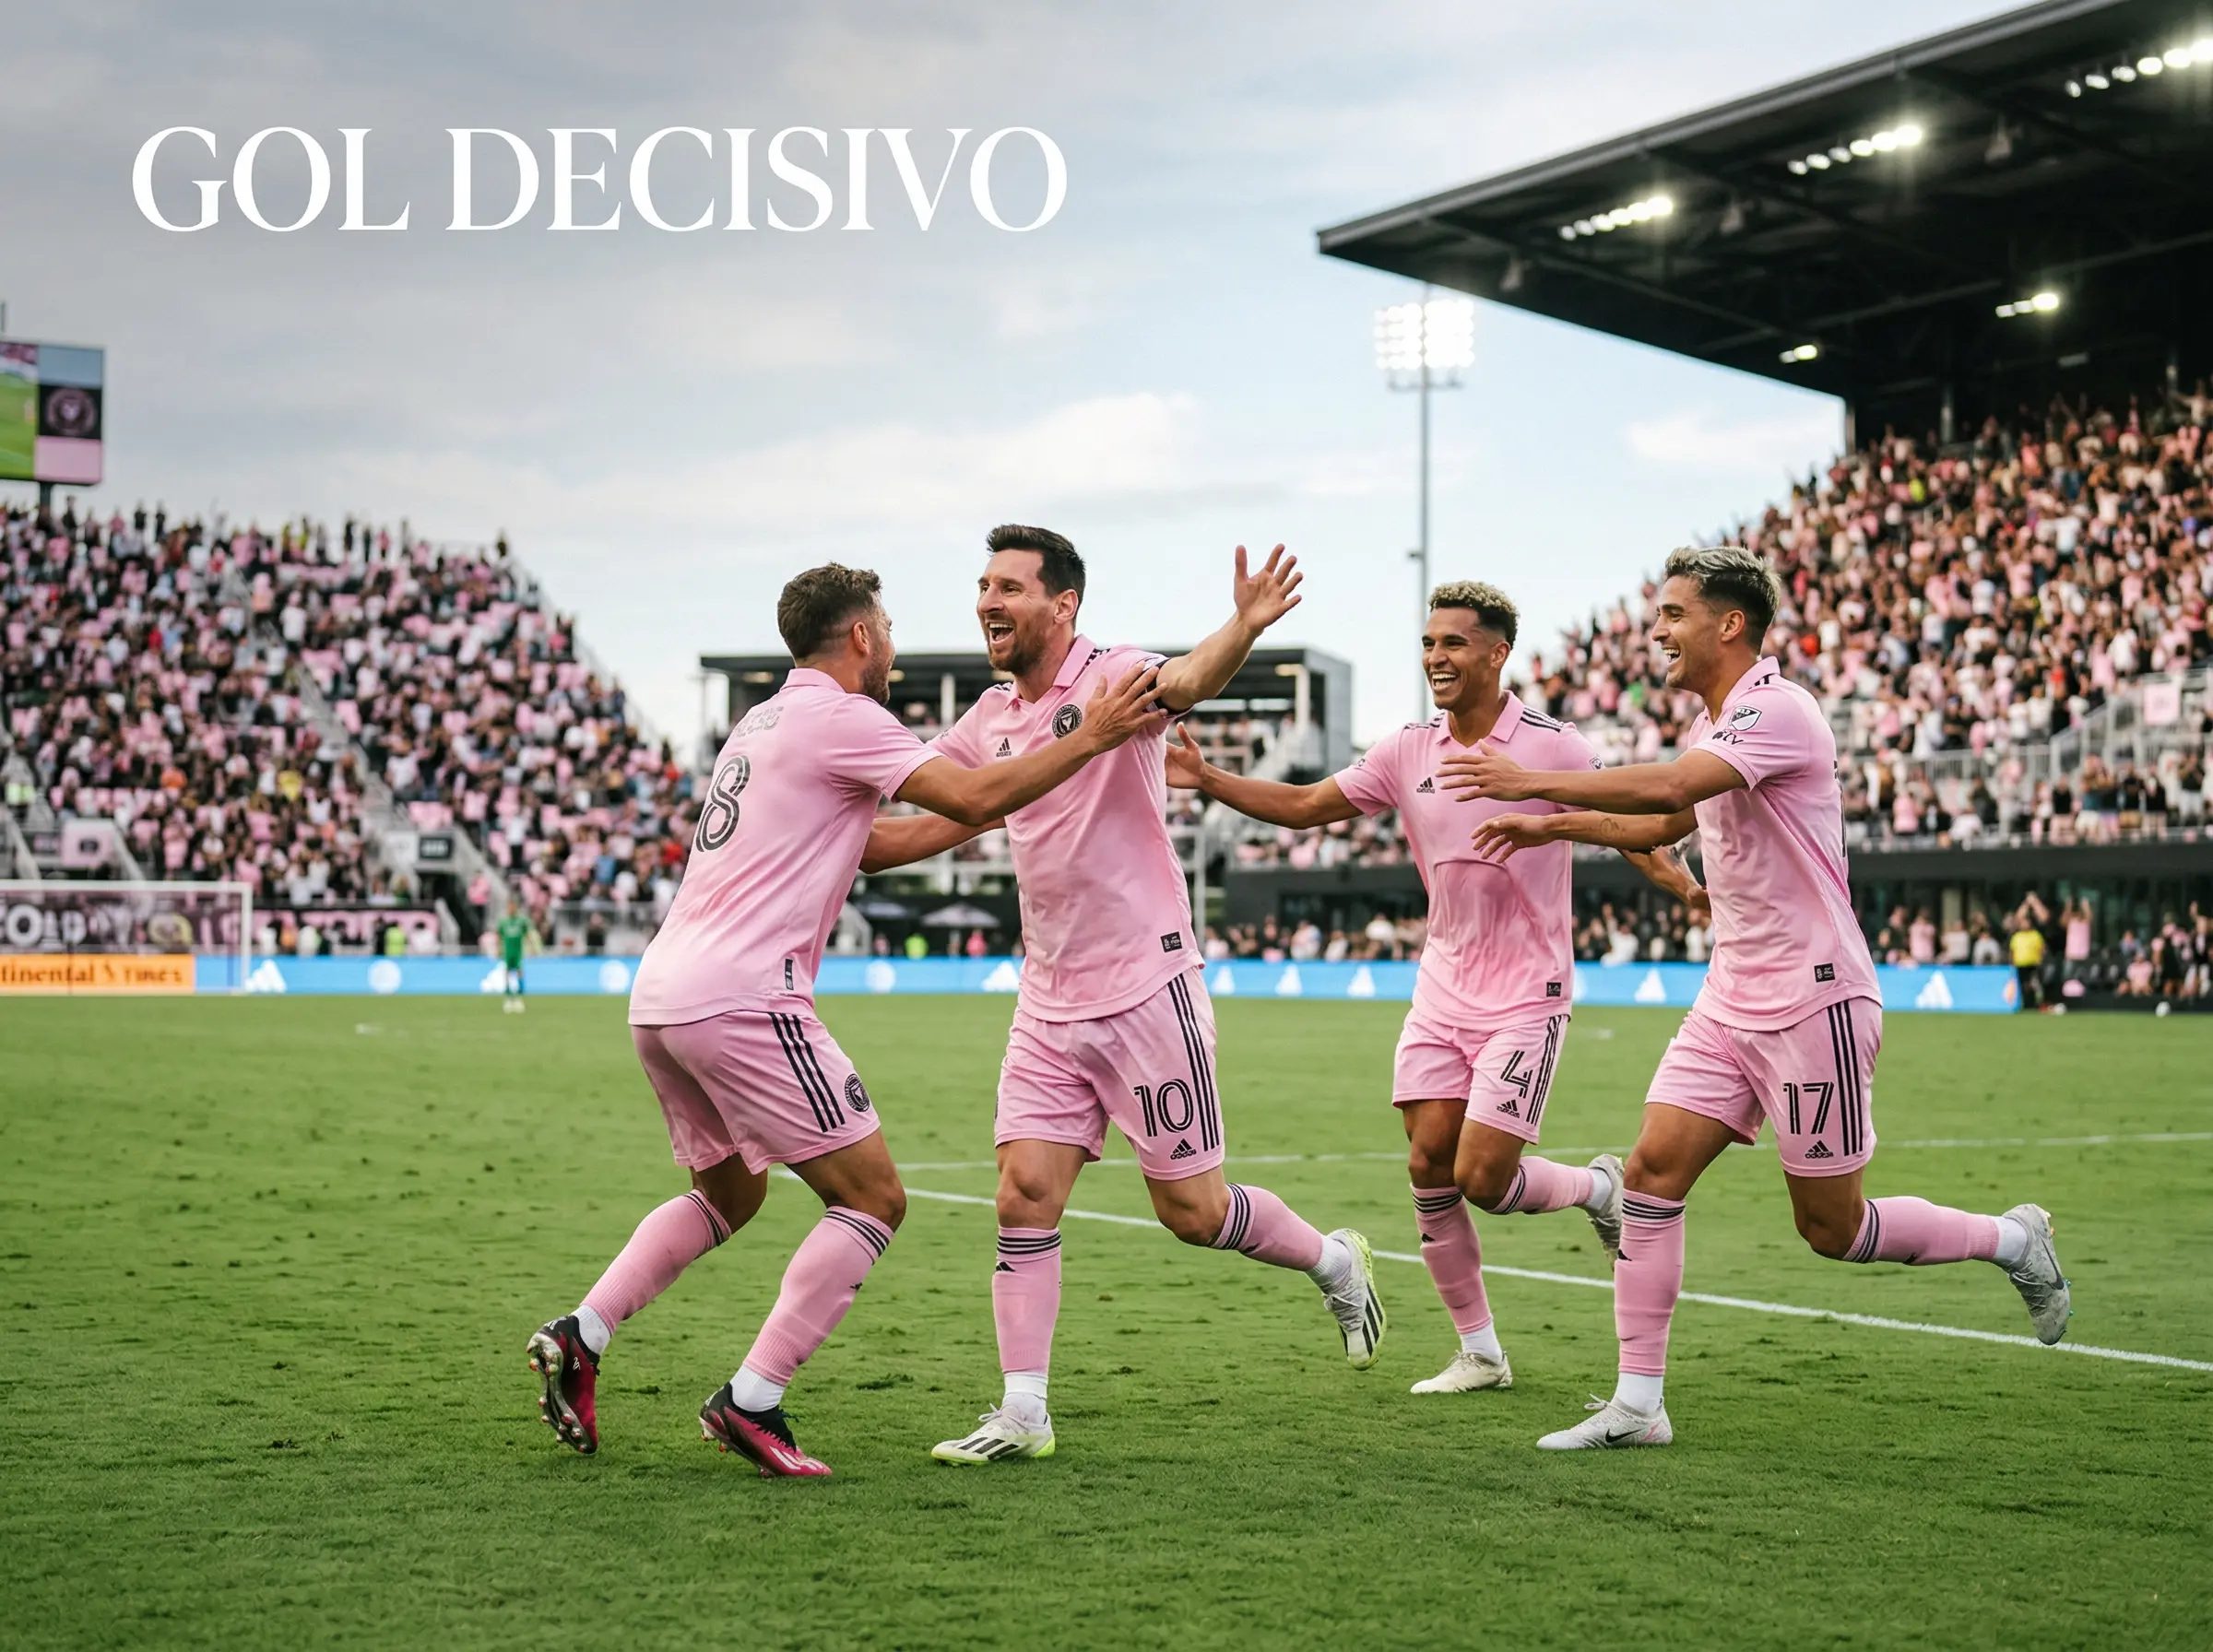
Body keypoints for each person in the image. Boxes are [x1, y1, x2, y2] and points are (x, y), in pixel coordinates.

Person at [525, 563, 1163, 1478]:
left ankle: (581, 1333)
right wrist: (1093, 735)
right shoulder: (846, 717)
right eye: (889, 627)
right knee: (872, 1198)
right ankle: (753, 1399)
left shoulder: (761, 722)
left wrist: (1010, 806)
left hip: (662, 995)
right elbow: (974, 795)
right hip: (745, 996)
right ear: (859, 635)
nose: (894, 644)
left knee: (729, 1196)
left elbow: (896, 838)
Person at [1442, 545, 2070, 1451]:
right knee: (1652, 1176)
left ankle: (2013, 1240)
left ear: (1727, 623)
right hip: (1729, 999)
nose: (1656, 630)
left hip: (1816, 1000)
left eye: (1672, 614)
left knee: (1833, 1227)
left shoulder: (1779, 711)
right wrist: (1550, 823)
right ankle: (1639, 1402)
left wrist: (1530, 778)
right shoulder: (1724, 724)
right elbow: (1662, 822)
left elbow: (1670, 787)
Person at [861, 525, 1386, 1466]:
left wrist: (1244, 626)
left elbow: (1188, 683)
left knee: (1193, 1213)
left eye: (1010, 586)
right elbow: (929, 809)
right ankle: (1023, 1413)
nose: (988, 601)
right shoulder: (986, 718)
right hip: (1048, 999)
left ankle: (1333, 1261)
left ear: (1062, 605)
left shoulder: (1117, 676)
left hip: (1147, 985)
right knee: (1023, 1193)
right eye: (983, 585)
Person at [1166, 579, 1705, 1393]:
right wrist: (1211, 782)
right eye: (1427, 644)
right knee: (1428, 1167)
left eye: (1452, 643)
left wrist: (1684, 887)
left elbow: (1623, 828)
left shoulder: (1553, 746)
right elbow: (1308, 805)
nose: (1435, 658)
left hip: (1527, 993)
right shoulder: (1407, 748)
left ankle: (1601, 1188)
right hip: (1442, 992)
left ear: (1497, 652)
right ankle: (1480, 1352)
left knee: (1485, 1179)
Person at [495, 900, 532, 1013]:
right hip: (507, 952)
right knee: (506, 973)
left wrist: (531, 947)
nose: (511, 909)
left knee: (519, 972)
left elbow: (527, 934)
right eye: (509, 907)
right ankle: (508, 998)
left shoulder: (521, 921)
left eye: (513, 907)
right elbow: (499, 936)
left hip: (518, 953)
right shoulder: (503, 922)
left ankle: (518, 998)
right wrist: (498, 949)